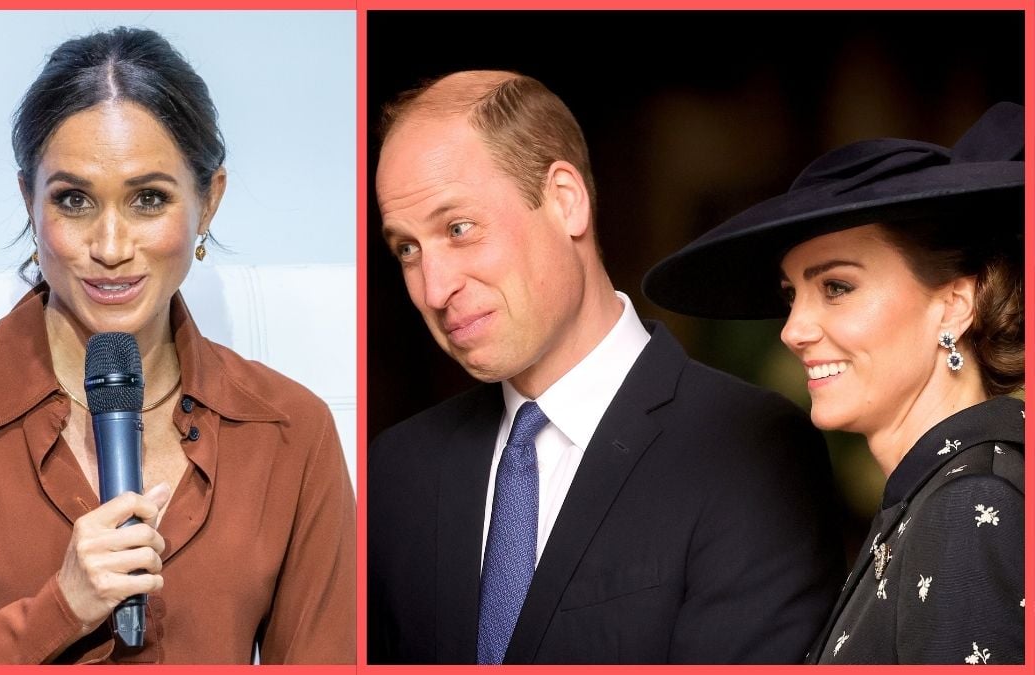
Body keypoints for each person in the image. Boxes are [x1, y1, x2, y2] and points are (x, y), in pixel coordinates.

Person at [0, 27, 355, 665]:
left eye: (149, 200)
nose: (110, 247)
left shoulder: (290, 433)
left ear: (210, 201)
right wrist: (59, 609)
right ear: (29, 203)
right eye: (74, 200)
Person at [367, 69, 846, 664]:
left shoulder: (745, 447)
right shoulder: (397, 470)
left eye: (458, 229)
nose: (433, 289)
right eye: (407, 249)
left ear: (566, 201)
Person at [643, 102, 1024, 664]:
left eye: (837, 287)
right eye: (791, 294)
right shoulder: (935, 498)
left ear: (953, 305)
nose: (794, 330)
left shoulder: (967, 505)